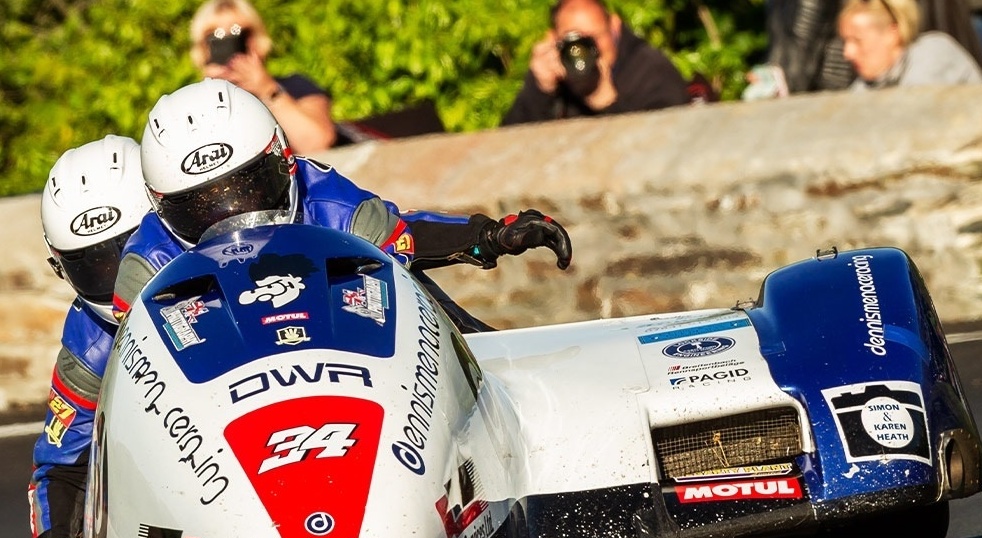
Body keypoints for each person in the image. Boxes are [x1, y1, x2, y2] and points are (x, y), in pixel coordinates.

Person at [114, 78, 572, 336]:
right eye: (200, 209)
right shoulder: (144, 263)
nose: (235, 217)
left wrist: (487, 236)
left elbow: (402, 240)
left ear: (284, 162)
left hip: (341, 351)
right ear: (159, 208)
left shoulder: (325, 195)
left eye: (249, 189)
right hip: (221, 390)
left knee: (424, 296)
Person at [29, 136, 151, 538]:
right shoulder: (90, 337)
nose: (115, 276)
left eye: (127, 253)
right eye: (92, 265)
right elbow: (59, 462)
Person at [501, 0, 691, 125]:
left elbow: (666, 148)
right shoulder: (553, 77)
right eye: (574, 41)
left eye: (593, 38)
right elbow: (506, 151)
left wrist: (606, 101)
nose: (585, 51)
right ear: (553, 39)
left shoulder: (651, 70)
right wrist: (539, 90)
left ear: (614, 27)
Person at [189, 0, 336, 153]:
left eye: (237, 32)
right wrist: (212, 94)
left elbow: (316, 144)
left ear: (256, 39)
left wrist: (268, 90)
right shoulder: (188, 106)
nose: (228, 45)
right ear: (202, 48)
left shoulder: (295, 87)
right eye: (214, 37)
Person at [838, 0, 982, 88]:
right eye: (846, 41)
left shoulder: (933, 54)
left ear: (892, 33)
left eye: (858, 41)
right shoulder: (864, 85)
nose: (847, 53)